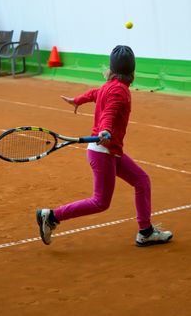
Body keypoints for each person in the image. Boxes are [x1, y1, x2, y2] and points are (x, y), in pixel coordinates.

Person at [36, 45, 173, 247]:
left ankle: (145, 232)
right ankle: (52, 216)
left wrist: (77, 100)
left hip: (111, 151)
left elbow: (94, 94)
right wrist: (104, 130)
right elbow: (109, 112)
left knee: (142, 181)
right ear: (132, 71)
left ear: (112, 69)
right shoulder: (120, 91)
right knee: (100, 202)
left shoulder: (109, 86)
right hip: (104, 152)